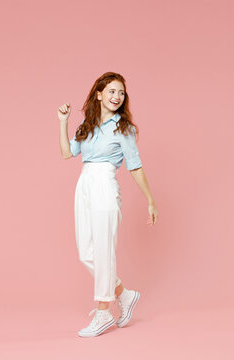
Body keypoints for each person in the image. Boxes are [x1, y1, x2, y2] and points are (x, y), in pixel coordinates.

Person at [58, 72, 158, 337]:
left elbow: (135, 166)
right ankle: (124, 296)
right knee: (86, 252)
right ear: (99, 94)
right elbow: (67, 153)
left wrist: (150, 200)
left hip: (105, 184)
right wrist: (63, 122)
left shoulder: (123, 129)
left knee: (103, 251)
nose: (117, 97)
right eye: (112, 91)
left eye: (121, 93)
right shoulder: (87, 125)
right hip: (85, 185)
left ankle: (103, 312)